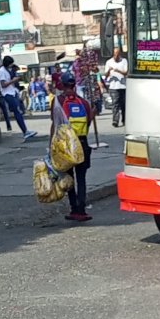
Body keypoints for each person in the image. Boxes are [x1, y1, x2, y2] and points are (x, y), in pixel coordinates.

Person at [51, 71, 93, 222]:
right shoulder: (84, 102)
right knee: (81, 178)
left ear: (61, 84)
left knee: (69, 177)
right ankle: (82, 209)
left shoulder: (58, 102)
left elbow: (54, 125)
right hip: (81, 143)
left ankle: (74, 208)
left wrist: (51, 145)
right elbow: (87, 124)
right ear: (74, 84)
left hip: (65, 145)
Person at [0, 56, 37, 140]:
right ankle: (25, 131)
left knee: (19, 111)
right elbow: (3, 85)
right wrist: (13, 80)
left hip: (13, 92)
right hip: (7, 93)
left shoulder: (8, 70)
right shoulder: (1, 71)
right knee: (17, 111)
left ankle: (25, 130)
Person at [105, 47, 128, 127]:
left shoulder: (124, 61)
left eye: (117, 54)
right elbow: (106, 75)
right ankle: (115, 120)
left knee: (123, 105)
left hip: (123, 86)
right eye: (115, 54)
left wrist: (118, 70)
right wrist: (109, 71)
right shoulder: (109, 62)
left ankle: (124, 120)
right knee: (115, 104)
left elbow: (126, 72)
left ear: (120, 54)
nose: (116, 55)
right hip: (113, 87)